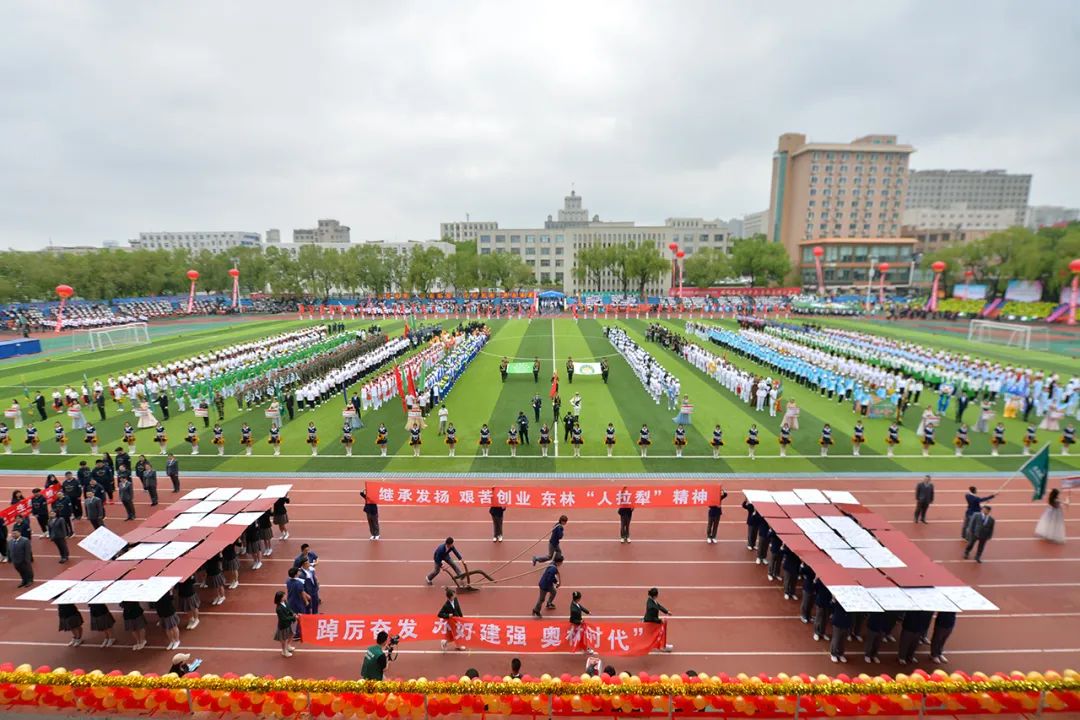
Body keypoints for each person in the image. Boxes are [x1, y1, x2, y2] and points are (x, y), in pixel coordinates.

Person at [642, 587, 674, 651]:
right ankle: (662, 646)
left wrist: (667, 612)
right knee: (659, 632)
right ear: (655, 595)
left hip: (652, 620)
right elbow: (651, 618)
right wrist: (660, 620)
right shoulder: (651, 606)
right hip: (650, 623)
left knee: (654, 634)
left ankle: (661, 645)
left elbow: (659, 606)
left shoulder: (652, 600)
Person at [275, 590, 298, 657]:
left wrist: (293, 613)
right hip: (284, 625)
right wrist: (293, 617)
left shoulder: (285, 602)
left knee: (292, 633)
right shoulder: (279, 609)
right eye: (284, 596)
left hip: (289, 623)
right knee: (284, 639)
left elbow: (289, 609)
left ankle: (288, 646)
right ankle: (284, 651)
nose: (285, 596)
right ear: (281, 598)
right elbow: (284, 618)